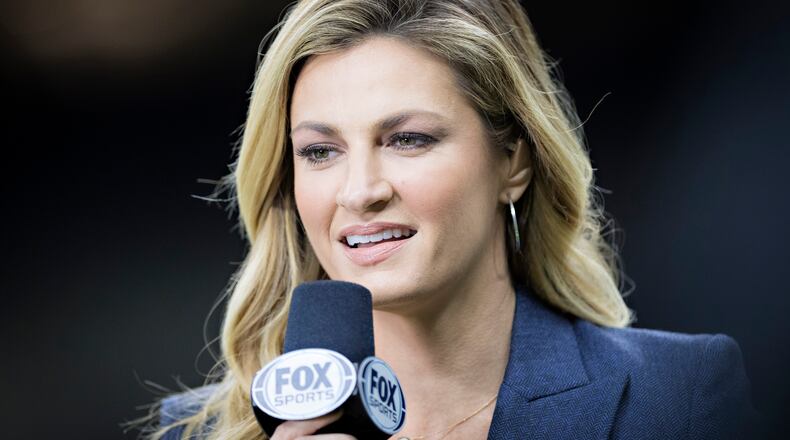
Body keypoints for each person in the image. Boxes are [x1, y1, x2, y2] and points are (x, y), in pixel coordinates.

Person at [149, 0, 759, 438]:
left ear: (513, 161)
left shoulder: (677, 397)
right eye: (320, 151)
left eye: (408, 139)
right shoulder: (196, 430)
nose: (359, 192)